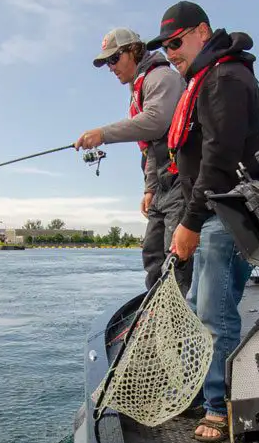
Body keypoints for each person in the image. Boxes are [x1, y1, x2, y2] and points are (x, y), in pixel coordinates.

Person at [145, 1, 259, 442]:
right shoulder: (208, 77)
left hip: (226, 213)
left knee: (214, 317)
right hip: (212, 214)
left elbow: (219, 160)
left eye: (177, 42)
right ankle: (208, 393)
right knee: (202, 310)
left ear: (202, 31)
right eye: (166, 46)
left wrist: (189, 221)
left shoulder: (223, 78)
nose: (172, 52)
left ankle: (219, 406)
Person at [76, 27, 190, 292]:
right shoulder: (137, 89)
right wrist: (150, 188)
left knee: (176, 258)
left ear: (134, 51)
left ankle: (181, 321)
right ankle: (156, 310)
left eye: (114, 59)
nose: (111, 67)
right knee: (152, 253)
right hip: (163, 184)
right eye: (107, 62)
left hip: (181, 179)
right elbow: (152, 146)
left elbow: (155, 122)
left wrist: (103, 134)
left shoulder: (161, 77)